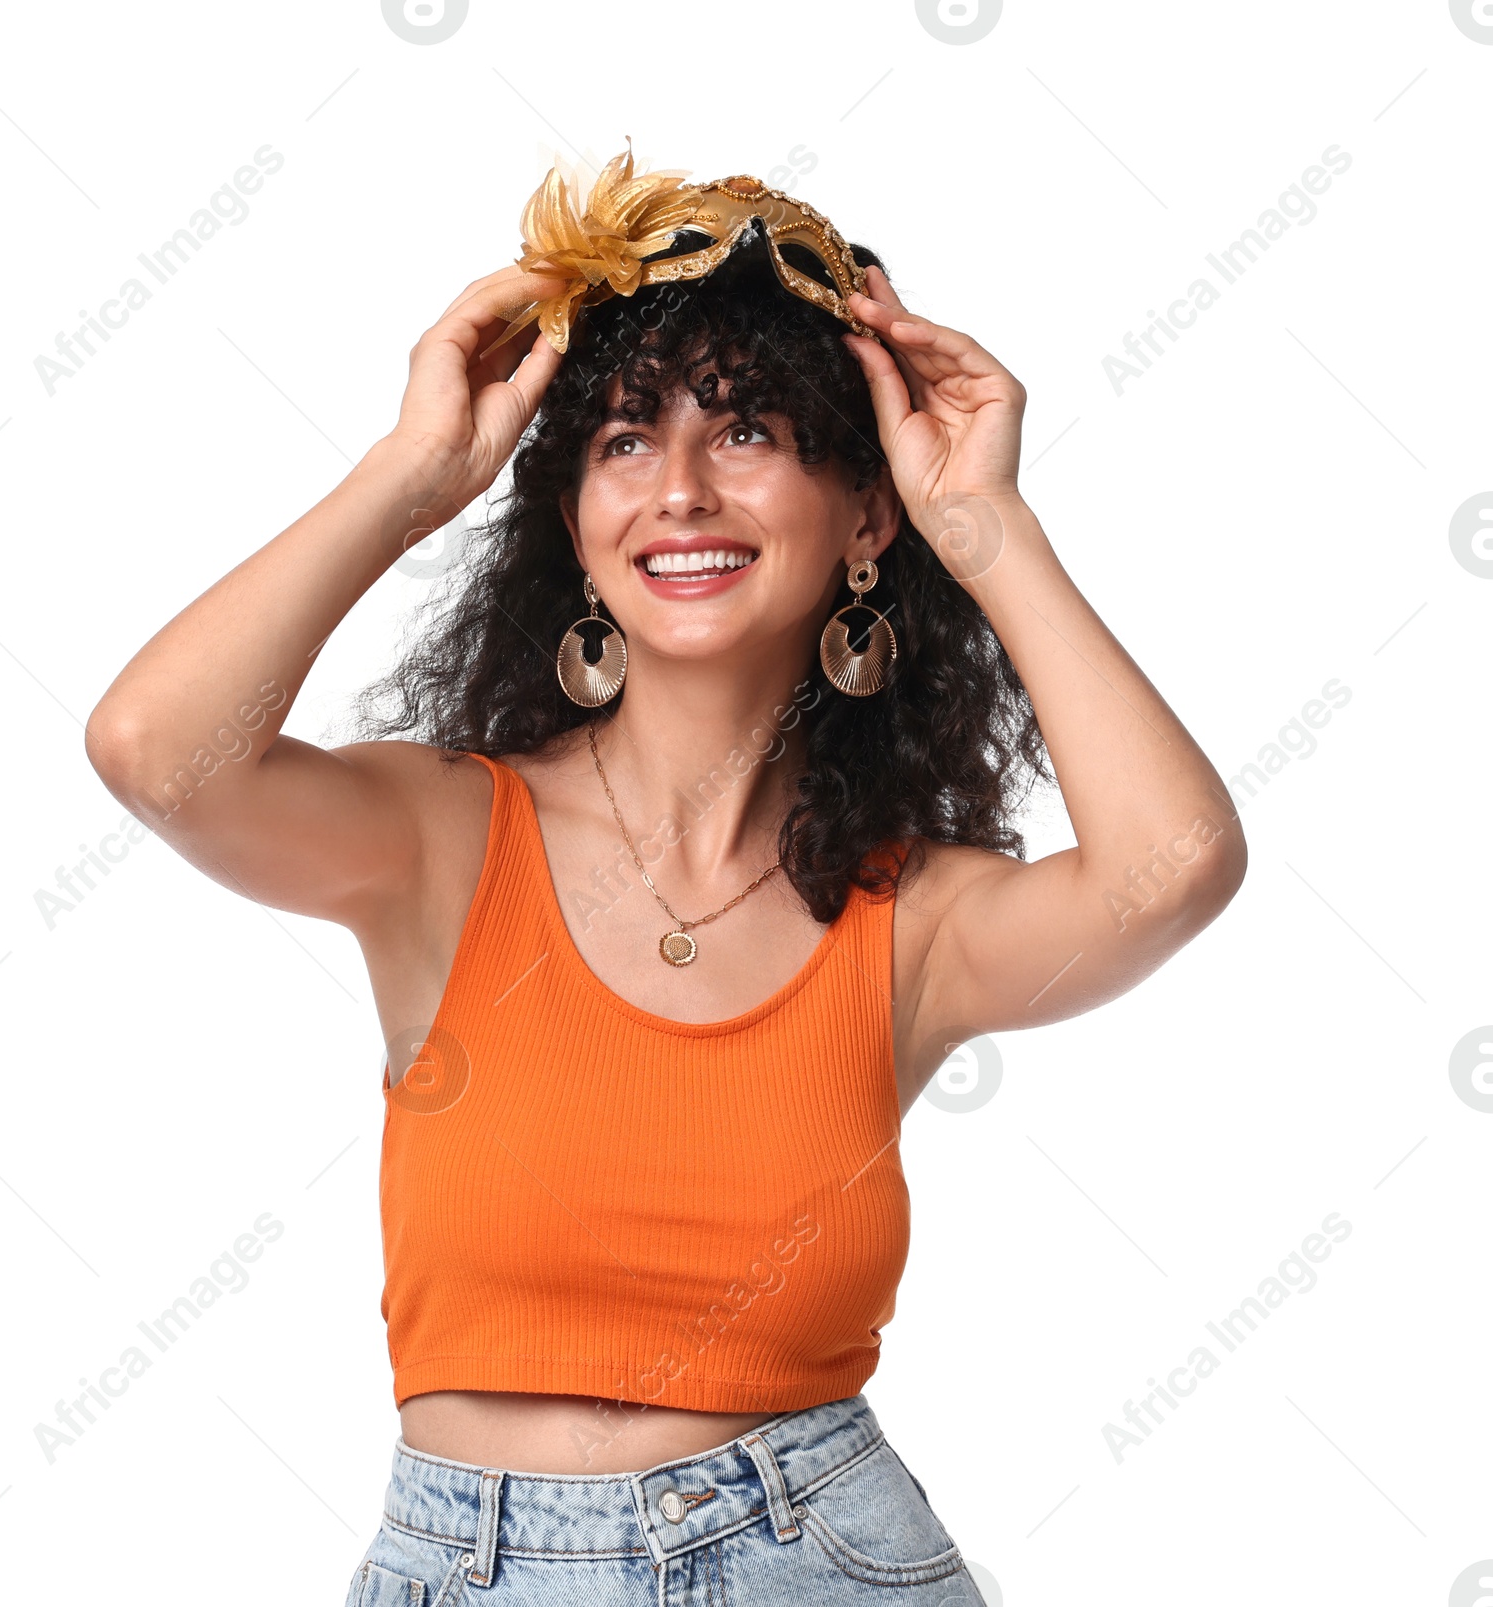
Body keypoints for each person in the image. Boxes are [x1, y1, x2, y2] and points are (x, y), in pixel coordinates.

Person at [85, 151, 1247, 1604]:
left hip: (808, 1557)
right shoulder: (441, 838)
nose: (680, 490)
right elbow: (152, 750)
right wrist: (410, 478)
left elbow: (1178, 864)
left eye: (748, 429)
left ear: (866, 514)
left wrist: (987, 526)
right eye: (625, 441)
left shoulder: (915, 917)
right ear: (570, 515)